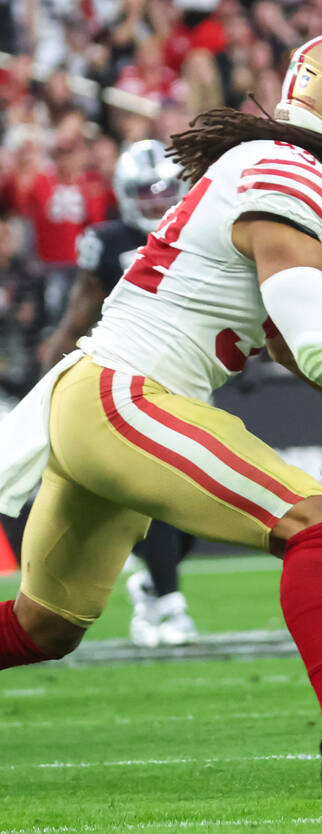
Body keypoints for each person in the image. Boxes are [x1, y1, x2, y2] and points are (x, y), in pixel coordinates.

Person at [0, 32, 322, 797]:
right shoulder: (294, 175)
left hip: (102, 398)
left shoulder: (274, 167)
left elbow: (290, 347)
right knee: (318, 523)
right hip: (127, 395)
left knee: (45, 627)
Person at [39, 139, 199, 648]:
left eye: (162, 191)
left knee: (192, 509)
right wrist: (48, 380)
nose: (154, 202)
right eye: (143, 192)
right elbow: (78, 315)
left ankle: (151, 582)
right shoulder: (107, 241)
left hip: (188, 378)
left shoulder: (200, 233)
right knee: (159, 493)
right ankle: (172, 607)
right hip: (126, 378)